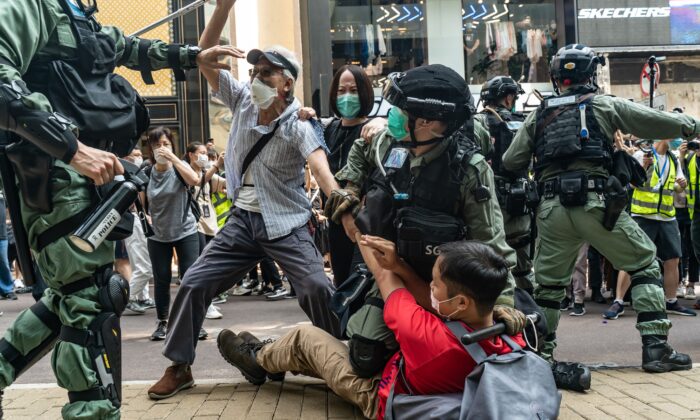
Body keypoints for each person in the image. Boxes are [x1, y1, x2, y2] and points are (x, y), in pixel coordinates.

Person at [0, 0, 221, 416]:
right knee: (89, 305)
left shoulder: (79, 16)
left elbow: (129, 48)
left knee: (77, 297)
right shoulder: (31, 6)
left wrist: (192, 56)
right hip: (56, 179)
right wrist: (71, 148)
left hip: (94, 180)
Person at [148, 0, 344, 400]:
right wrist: (222, 8)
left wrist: (337, 197)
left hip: (287, 223)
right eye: (254, 71)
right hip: (241, 222)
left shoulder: (298, 124)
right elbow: (204, 60)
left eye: (266, 72)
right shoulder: (241, 102)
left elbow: (320, 167)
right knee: (194, 282)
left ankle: (341, 359)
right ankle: (180, 365)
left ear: (286, 83)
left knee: (314, 289)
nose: (255, 77)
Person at [502, 44, 697, 390]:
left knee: (548, 287)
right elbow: (652, 121)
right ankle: (656, 349)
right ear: (590, 74)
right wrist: (688, 123)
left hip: (551, 209)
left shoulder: (540, 112)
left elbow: (511, 161)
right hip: (597, 205)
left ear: (556, 77)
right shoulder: (603, 104)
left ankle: (541, 356)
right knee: (643, 263)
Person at [325, 64, 521, 379]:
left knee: (467, 354)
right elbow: (361, 149)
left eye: (402, 111)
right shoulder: (390, 143)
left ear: (430, 123)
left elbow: (491, 244)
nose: (393, 117)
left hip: (445, 285)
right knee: (364, 354)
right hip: (392, 270)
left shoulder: (469, 172)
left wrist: (501, 304)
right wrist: (350, 187)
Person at [216, 239, 526, 420]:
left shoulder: (424, 334)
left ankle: (256, 360)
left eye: (436, 284)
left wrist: (356, 227)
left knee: (304, 337)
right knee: (330, 352)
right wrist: (407, 268)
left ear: (460, 302)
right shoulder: (509, 329)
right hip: (436, 391)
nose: (429, 286)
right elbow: (433, 301)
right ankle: (275, 359)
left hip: (380, 395)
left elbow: (382, 273)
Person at [474, 76, 535, 293]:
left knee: (488, 259)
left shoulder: (477, 122)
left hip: (488, 199)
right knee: (523, 266)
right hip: (520, 201)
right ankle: (533, 317)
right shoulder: (525, 121)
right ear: (509, 98)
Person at [315, 65, 374, 286]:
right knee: (341, 280)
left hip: (366, 222)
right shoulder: (327, 129)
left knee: (362, 281)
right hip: (336, 220)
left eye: (354, 90)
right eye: (341, 91)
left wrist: (381, 122)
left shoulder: (373, 130)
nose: (347, 96)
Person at [144, 128, 204, 341]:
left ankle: (193, 321)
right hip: (158, 234)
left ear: (172, 146)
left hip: (185, 230)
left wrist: (174, 160)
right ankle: (162, 322)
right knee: (162, 279)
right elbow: (141, 198)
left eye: (166, 144)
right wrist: (146, 216)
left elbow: (194, 181)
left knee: (190, 277)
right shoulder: (146, 172)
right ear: (150, 149)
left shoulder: (181, 167)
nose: (162, 148)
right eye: (157, 144)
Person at [630, 139, 695, 316]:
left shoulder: (673, 159)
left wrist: (682, 186)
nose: (679, 140)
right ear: (664, 135)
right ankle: (620, 301)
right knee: (635, 258)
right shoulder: (640, 154)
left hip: (667, 216)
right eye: (675, 134)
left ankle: (671, 301)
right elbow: (632, 184)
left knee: (673, 259)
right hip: (643, 215)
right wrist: (643, 166)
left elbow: (678, 187)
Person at [122, 148, 155, 313]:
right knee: (144, 266)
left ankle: (142, 297)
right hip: (135, 220)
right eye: (135, 155)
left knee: (140, 265)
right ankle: (128, 299)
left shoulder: (133, 174)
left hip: (138, 220)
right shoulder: (125, 176)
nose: (138, 158)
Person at [0, 194, 16, 300]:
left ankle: (8, 289)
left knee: (4, 263)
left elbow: (11, 208)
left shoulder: (1, 196)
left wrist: (9, 221)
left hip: (2, 234)